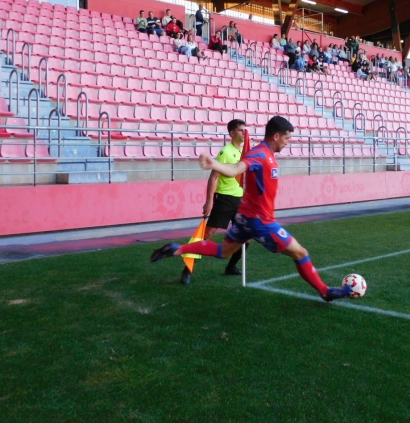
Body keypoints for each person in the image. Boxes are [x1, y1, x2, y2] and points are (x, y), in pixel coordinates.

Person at [150, 116, 354, 302]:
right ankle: (324, 291)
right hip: (260, 221)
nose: (287, 142)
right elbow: (236, 169)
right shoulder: (259, 154)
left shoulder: (265, 154)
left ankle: (179, 249)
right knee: (301, 253)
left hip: (244, 217)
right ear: (276, 136)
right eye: (286, 138)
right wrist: (215, 164)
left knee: (224, 251)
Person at [180, 119, 248, 285]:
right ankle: (187, 269)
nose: (244, 133)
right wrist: (209, 201)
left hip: (240, 200)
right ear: (232, 133)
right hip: (224, 199)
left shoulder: (245, 153)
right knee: (207, 235)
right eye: (240, 130)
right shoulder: (226, 152)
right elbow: (214, 177)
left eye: (245, 130)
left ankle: (231, 266)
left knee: (246, 237)